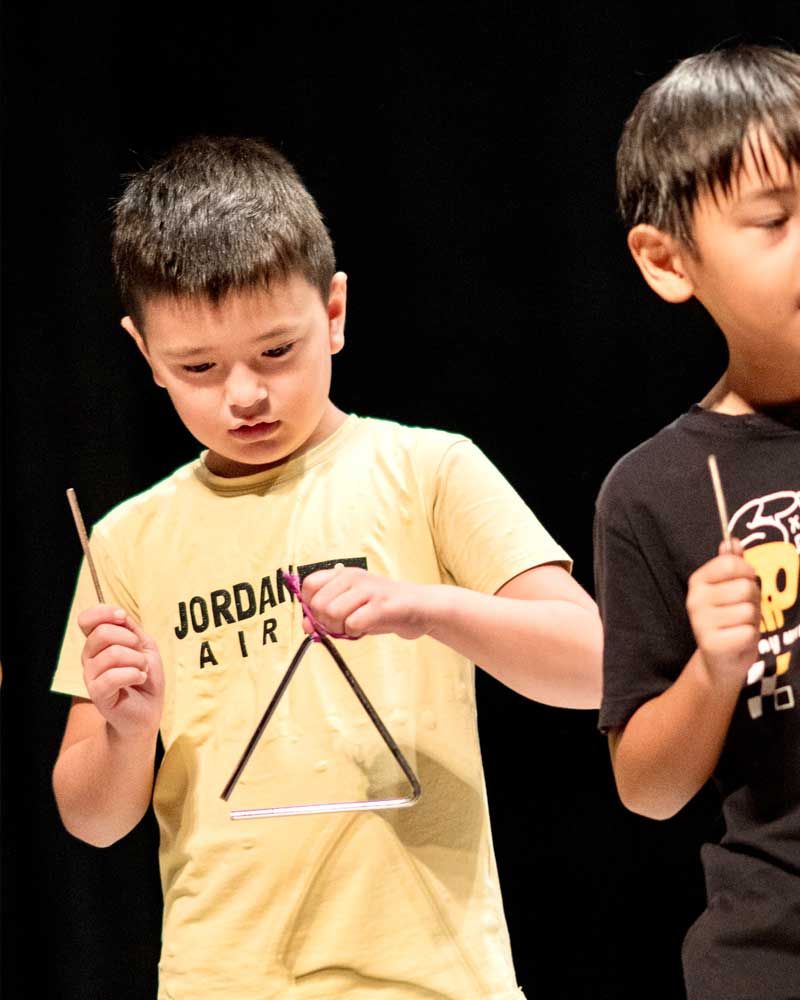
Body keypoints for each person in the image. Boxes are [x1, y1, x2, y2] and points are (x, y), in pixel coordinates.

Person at [51, 136, 602, 1000]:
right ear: (144, 352)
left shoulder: (428, 470)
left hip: (430, 978)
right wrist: (127, 730)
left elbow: (595, 667)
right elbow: (90, 818)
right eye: (198, 366)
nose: (244, 394)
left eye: (277, 351)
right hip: (217, 978)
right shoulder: (126, 542)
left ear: (335, 312)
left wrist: (426, 608)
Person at [595, 45, 800, 999]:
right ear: (669, 261)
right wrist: (714, 671)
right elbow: (648, 785)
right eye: (776, 220)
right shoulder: (653, 490)